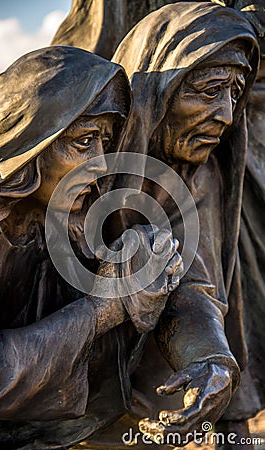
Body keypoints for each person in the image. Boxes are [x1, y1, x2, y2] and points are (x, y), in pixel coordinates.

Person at [0, 46, 183, 448]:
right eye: (84, 140)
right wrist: (104, 308)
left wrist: (140, 260)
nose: (100, 162)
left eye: (105, 142)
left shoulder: (72, 213)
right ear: (31, 143)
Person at [110, 2, 259, 446]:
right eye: (209, 90)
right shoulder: (80, 159)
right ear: (158, 86)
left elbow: (192, 279)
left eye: (235, 93)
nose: (227, 115)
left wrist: (210, 358)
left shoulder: (200, 169)